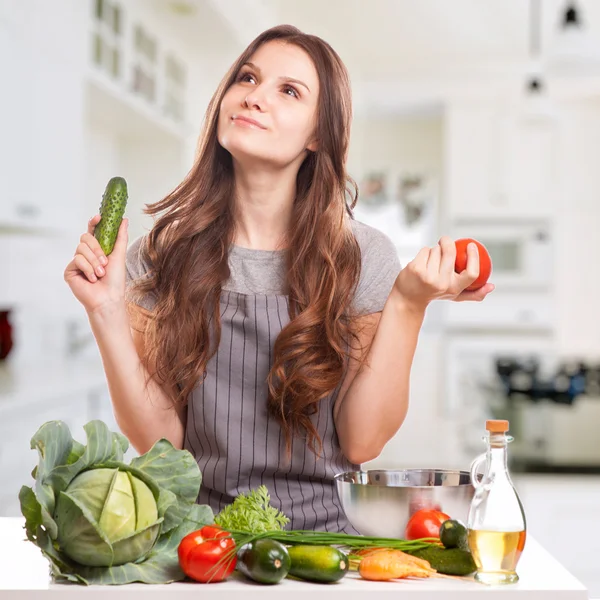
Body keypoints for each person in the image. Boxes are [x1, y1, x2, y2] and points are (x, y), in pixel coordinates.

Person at [64, 24, 493, 533]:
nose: (253, 97)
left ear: (317, 135)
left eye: (288, 90)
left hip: (326, 550)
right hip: (200, 548)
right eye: (247, 78)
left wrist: (407, 302)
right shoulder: (159, 255)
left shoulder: (361, 256)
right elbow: (163, 445)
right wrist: (105, 310)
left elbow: (362, 442)